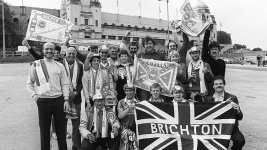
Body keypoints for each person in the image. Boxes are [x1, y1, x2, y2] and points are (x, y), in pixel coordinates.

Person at [22, 39, 71, 140]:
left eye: (51, 49)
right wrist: (35, 97)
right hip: (43, 101)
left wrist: (66, 100)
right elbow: (29, 83)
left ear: (54, 51)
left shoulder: (60, 66)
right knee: (44, 132)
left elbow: (65, 84)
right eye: (47, 49)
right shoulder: (36, 65)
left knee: (61, 131)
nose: (49, 51)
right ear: (43, 50)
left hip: (59, 101)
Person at [205, 76, 245, 150]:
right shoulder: (208, 99)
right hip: (213, 128)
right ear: (213, 86)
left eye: (220, 83)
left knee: (240, 140)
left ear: (224, 85)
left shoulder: (232, 98)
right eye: (216, 84)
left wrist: (238, 110)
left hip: (230, 126)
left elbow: (240, 117)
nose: (218, 85)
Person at [63, 46, 83, 150]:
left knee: (76, 123)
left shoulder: (80, 65)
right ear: (65, 54)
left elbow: (81, 82)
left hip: (76, 97)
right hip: (63, 98)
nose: (71, 55)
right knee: (62, 122)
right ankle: (63, 146)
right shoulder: (60, 64)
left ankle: (76, 146)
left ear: (76, 55)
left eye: (73, 53)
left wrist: (75, 92)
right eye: (69, 53)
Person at [137, 36, 166, 101]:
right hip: (144, 87)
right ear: (144, 46)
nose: (148, 45)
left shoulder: (160, 55)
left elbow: (165, 68)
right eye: (146, 44)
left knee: (158, 105)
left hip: (157, 86)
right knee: (145, 104)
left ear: (153, 44)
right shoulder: (140, 55)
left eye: (150, 43)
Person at [117, 84, 139, 150]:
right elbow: (120, 116)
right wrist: (128, 109)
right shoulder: (121, 102)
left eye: (131, 91)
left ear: (134, 92)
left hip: (136, 127)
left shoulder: (138, 102)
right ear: (125, 91)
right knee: (130, 135)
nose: (129, 93)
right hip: (125, 127)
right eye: (127, 91)